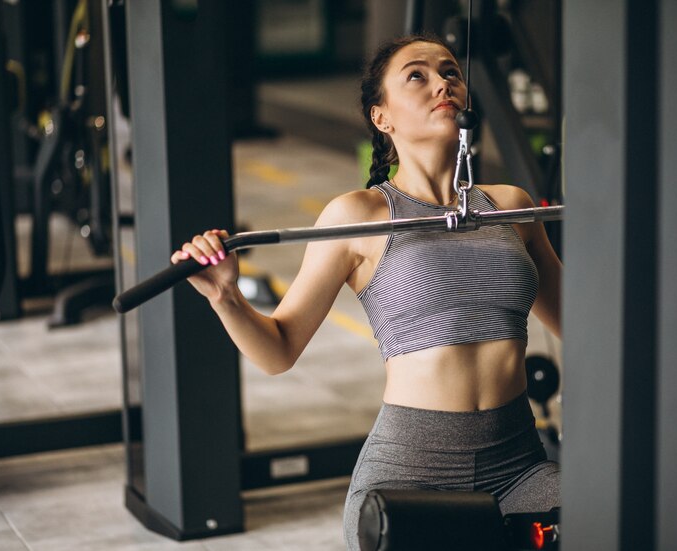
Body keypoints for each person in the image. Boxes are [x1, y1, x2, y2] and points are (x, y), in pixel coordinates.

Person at [172, 33, 562, 551]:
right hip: (412, 471)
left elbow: (587, 327)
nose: (441, 83)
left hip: (518, 464)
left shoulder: (513, 208)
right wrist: (226, 296)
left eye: (450, 72)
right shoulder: (357, 217)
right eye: (416, 76)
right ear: (383, 118)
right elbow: (279, 350)